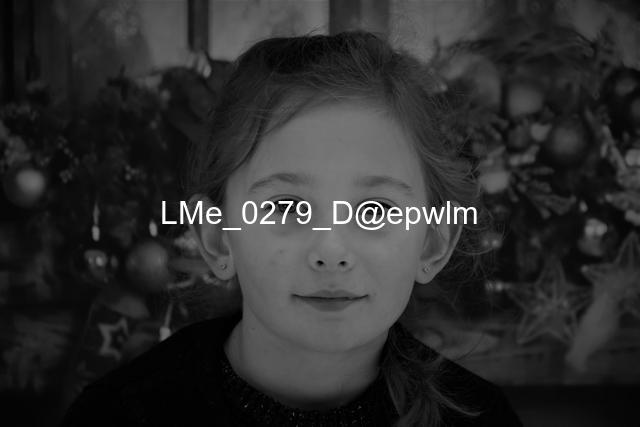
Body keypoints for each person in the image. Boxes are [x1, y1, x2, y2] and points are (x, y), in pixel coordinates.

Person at [61, 31, 523, 427]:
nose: (331, 250)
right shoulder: (119, 415)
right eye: (287, 207)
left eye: (376, 210)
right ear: (218, 238)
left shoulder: (480, 419)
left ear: (432, 243)